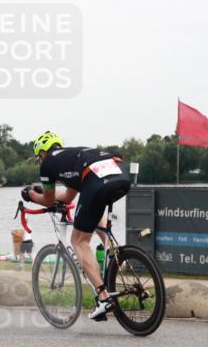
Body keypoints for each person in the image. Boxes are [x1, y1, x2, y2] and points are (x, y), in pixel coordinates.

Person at [22, 130, 130, 321]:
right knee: (94, 209)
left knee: (78, 241)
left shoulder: (48, 163)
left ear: (43, 153)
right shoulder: (70, 158)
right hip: (118, 175)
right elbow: (68, 196)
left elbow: (47, 201)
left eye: (39, 158)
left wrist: (31, 195)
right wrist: (42, 192)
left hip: (95, 180)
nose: (40, 162)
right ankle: (115, 253)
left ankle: (103, 298)